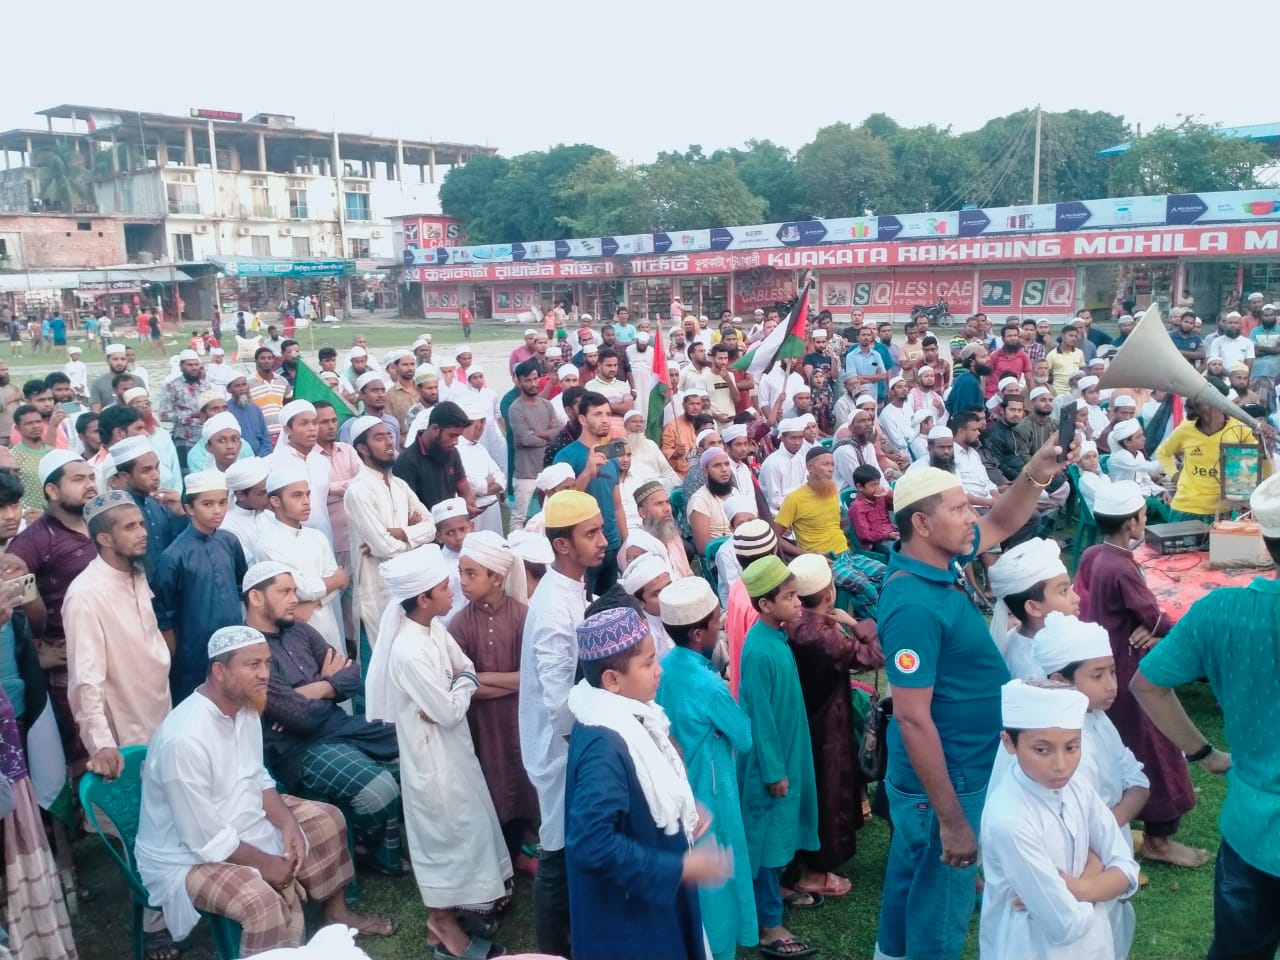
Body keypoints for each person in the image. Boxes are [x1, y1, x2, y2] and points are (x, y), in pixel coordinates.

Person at [874, 435, 1069, 960]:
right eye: (959, 508)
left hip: (956, 766)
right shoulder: (913, 604)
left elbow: (1002, 519)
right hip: (948, 778)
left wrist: (1036, 470)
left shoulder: (942, 558)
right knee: (940, 905)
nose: (971, 517)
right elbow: (913, 719)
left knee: (913, 879)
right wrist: (952, 820)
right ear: (921, 523)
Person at [135, 625, 395, 957]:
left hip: (238, 816)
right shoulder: (183, 740)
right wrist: (266, 863)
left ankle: (336, 913)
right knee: (261, 901)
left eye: (268, 663)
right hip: (185, 854)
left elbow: (257, 777)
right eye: (253, 665)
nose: (265, 674)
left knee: (326, 819)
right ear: (220, 671)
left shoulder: (244, 706)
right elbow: (202, 838)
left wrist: (287, 823)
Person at [1131, 471, 1280, 960]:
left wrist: (1205, 754)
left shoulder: (1221, 610)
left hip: (1252, 830)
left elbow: (1147, 684)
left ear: (1263, 540)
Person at [365, 544, 513, 958]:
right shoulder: (408, 651)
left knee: (465, 830)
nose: (453, 592)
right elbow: (448, 711)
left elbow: (465, 670)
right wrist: (459, 688)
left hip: (454, 752)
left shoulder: (433, 630)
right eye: (445, 587)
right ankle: (442, 925)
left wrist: (458, 685)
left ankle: (449, 920)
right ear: (424, 597)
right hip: (432, 760)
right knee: (444, 838)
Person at [565, 606, 724, 960]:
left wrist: (678, 809)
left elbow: (642, 791)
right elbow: (591, 843)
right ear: (612, 680)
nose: (659, 669)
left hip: (647, 900)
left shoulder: (623, 714)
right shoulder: (603, 747)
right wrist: (678, 867)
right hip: (628, 921)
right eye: (648, 663)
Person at [63, 488, 177, 956]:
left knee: (170, 817)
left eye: (141, 523)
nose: (143, 532)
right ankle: (154, 924)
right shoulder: (85, 595)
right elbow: (85, 680)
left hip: (160, 713)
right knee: (141, 830)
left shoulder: (136, 574)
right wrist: (101, 744)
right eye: (130, 527)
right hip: (124, 726)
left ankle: (180, 902)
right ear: (104, 539)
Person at [1076, 479, 1207, 870]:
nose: (1145, 521)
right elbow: (1154, 617)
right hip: (1128, 670)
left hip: (1101, 666)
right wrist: (1162, 628)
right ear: (1132, 523)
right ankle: (1158, 839)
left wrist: (1146, 625)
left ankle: (1122, 820)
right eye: (1144, 516)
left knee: (1119, 745)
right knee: (1156, 747)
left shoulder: (1094, 555)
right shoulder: (1122, 567)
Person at [243, 562, 402, 876]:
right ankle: (362, 843)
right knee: (380, 790)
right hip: (300, 749)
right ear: (256, 598)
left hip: (339, 726)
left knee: (412, 752)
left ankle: (367, 841)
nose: (294, 599)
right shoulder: (249, 652)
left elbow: (353, 675)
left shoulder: (300, 630)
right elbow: (300, 719)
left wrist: (311, 690)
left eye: (294, 591)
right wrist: (327, 686)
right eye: (284, 592)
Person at [979, 680, 1140, 960]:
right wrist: (1099, 873)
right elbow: (1065, 925)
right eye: (1042, 750)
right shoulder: (1010, 819)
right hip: (1027, 947)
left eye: (1071, 747)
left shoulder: (1077, 787)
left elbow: (1128, 871)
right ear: (1009, 743)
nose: (1060, 765)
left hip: (1095, 945)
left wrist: (1080, 887)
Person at [519, 490, 607, 956]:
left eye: (600, 529)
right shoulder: (554, 608)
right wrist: (588, 754)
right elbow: (559, 705)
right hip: (560, 746)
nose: (603, 540)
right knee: (556, 848)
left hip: (572, 743)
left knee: (571, 843)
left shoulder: (571, 587)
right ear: (562, 545)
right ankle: (553, 949)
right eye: (591, 533)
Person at [1032, 613, 1148, 960]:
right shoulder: (1047, 742)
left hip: (1107, 852)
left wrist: (1106, 829)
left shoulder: (1098, 719)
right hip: (1074, 864)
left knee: (1110, 937)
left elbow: (1138, 781)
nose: (1111, 684)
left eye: (1112, 671)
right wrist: (1102, 844)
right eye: (1097, 675)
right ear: (1059, 681)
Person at [655, 577, 757, 960]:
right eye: (716, 620)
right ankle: (719, 948)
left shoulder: (663, 667)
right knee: (717, 872)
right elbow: (743, 736)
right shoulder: (707, 684)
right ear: (699, 634)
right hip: (712, 788)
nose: (721, 624)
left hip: (675, 782)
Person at [736, 555, 821, 958]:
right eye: (789, 597)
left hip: (789, 754)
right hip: (772, 766)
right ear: (765, 604)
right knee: (768, 843)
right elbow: (758, 718)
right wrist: (773, 770)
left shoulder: (777, 639)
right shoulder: (758, 650)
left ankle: (776, 894)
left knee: (782, 834)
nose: (798, 603)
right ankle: (768, 924)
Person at [784, 554, 881, 899]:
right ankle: (815, 869)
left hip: (801, 718)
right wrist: (855, 624)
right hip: (826, 723)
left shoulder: (788, 621)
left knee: (813, 791)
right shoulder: (824, 636)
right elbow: (874, 656)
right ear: (829, 594)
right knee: (827, 792)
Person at [449, 531, 539, 877]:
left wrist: (483, 678)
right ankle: (501, 862)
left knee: (522, 782)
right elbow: (460, 687)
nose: (463, 581)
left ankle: (520, 850)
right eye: (462, 572)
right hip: (482, 725)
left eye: (471, 573)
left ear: (497, 578)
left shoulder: (523, 617)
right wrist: (513, 681)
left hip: (519, 721)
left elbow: (534, 678)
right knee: (490, 784)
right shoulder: (459, 623)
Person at [343, 417, 435, 657]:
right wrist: (416, 541)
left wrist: (403, 533)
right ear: (362, 448)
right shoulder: (359, 490)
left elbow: (432, 526)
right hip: (376, 589)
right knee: (379, 659)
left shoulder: (400, 485)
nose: (388, 442)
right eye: (379, 438)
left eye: (389, 436)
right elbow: (383, 547)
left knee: (408, 655)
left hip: (408, 584)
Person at [774, 447, 883, 617]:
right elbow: (775, 537)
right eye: (825, 464)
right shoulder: (794, 499)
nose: (831, 469)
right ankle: (879, 624)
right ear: (810, 467)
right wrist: (806, 554)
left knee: (887, 573)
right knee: (865, 587)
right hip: (824, 560)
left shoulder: (832, 490)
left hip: (847, 554)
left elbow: (838, 523)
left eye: (832, 464)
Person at [256, 466, 347, 656]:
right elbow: (301, 589)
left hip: (325, 622)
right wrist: (334, 582)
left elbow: (340, 583)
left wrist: (311, 604)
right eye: (297, 496)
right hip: (294, 628)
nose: (306, 502)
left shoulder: (317, 537)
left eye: (308, 494)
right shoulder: (268, 544)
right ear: (275, 501)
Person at [555, 392, 627, 594]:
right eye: (597, 414)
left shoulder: (610, 453)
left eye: (608, 414)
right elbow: (561, 504)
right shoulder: (566, 456)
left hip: (611, 544)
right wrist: (587, 472)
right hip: (583, 549)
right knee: (584, 604)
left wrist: (625, 542)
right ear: (582, 419)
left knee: (609, 603)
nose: (605, 420)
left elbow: (617, 504)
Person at [986, 537, 1077, 680]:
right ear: (1034, 607)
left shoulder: (1061, 635)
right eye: (1064, 591)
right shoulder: (1031, 669)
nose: (1077, 598)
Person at [1156, 399, 1256, 522]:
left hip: (1225, 510)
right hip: (1187, 508)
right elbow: (1163, 453)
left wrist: (1241, 494)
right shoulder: (1185, 429)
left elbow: (1256, 462)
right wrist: (1174, 475)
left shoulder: (1239, 429)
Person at [107, 435, 187, 581]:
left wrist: (180, 513)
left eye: (157, 467)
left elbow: (180, 546)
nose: (156, 475)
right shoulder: (117, 513)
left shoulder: (159, 503)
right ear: (125, 476)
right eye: (146, 470)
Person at [393, 401, 479, 513]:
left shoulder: (452, 452)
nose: (456, 442)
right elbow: (408, 510)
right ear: (435, 429)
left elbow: (463, 485)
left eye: (458, 436)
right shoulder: (406, 462)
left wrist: (469, 504)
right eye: (452, 436)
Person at [508, 359, 557, 532]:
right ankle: (514, 546)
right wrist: (547, 436)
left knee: (550, 514)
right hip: (525, 472)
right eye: (527, 380)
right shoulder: (516, 409)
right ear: (519, 381)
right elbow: (525, 439)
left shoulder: (547, 405)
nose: (533, 384)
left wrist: (535, 434)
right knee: (519, 517)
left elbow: (557, 434)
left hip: (546, 470)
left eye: (535, 379)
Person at [1107, 419, 1170, 522]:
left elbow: (1146, 480)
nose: (1144, 438)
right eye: (1139, 436)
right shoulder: (1120, 457)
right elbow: (1150, 468)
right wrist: (1170, 457)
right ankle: (1171, 527)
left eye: (1142, 435)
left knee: (1168, 501)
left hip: (1143, 496)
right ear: (1127, 442)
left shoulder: (1139, 454)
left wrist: (1161, 492)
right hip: (1126, 499)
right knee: (1154, 504)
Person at [221, 457, 271, 562]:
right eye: (262, 493)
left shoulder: (269, 514)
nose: (269, 495)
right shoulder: (227, 526)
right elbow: (248, 564)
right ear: (241, 495)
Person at [849, 463, 897, 556]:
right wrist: (888, 535)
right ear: (860, 487)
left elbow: (897, 504)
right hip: (875, 544)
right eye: (873, 485)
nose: (877, 488)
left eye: (878, 484)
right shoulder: (857, 507)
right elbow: (865, 535)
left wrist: (887, 493)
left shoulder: (880, 497)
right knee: (897, 550)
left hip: (891, 532)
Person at [227, 371, 273, 457]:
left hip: (260, 458)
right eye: (237, 386)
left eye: (244, 385)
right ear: (229, 390)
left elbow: (265, 435)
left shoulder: (255, 408)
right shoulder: (226, 411)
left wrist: (261, 457)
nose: (242, 388)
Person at [249, 347, 290, 441]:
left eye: (269, 358)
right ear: (256, 361)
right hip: (262, 434)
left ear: (273, 360)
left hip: (283, 432)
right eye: (262, 358)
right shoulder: (248, 383)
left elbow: (287, 405)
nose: (267, 361)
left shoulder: (282, 381)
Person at [945, 343, 990, 420]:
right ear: (971, 362)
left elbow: (949, 404)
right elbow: (968, 415)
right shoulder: (969, 382)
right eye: (983, 357)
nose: (988, 359)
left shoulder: (965, 378)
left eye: (987, 355)